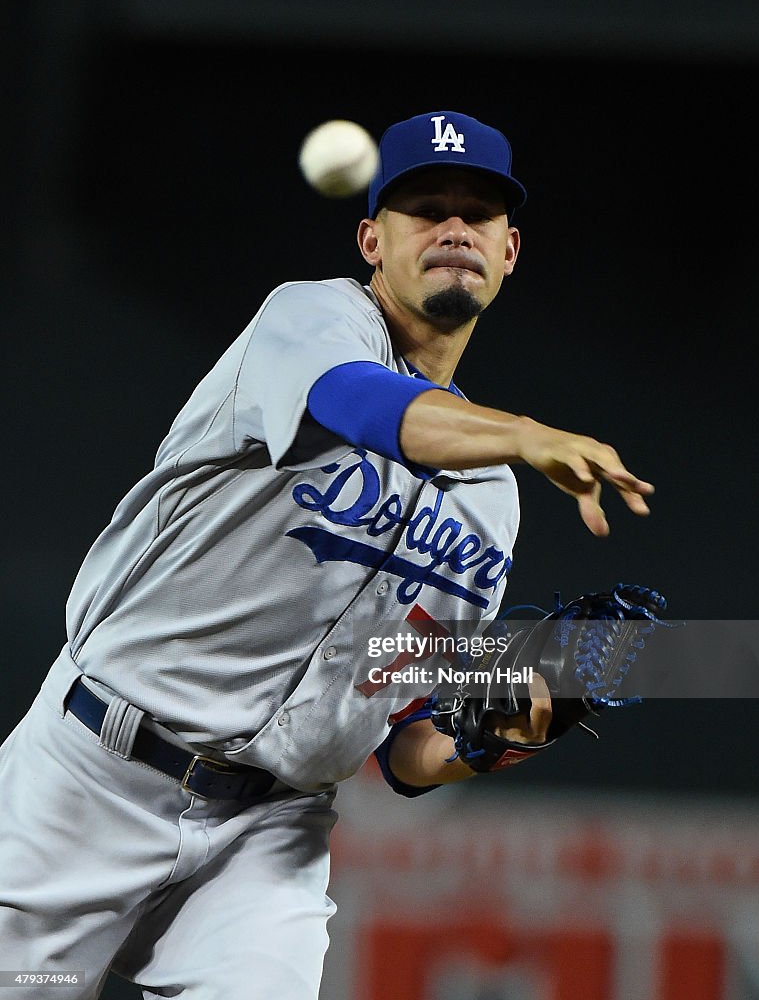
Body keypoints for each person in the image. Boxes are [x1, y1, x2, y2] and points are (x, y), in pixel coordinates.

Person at [0, 110, 654, 999]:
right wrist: (527, 433)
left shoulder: (494, 497)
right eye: (425, 207)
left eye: (479, 213)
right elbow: (368, 407)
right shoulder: (309, 319)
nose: (454, 226)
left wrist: (507, 731)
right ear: (371, 239)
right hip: (92, 781)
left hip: (270, 837)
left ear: (507, 253)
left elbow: (405, 740)